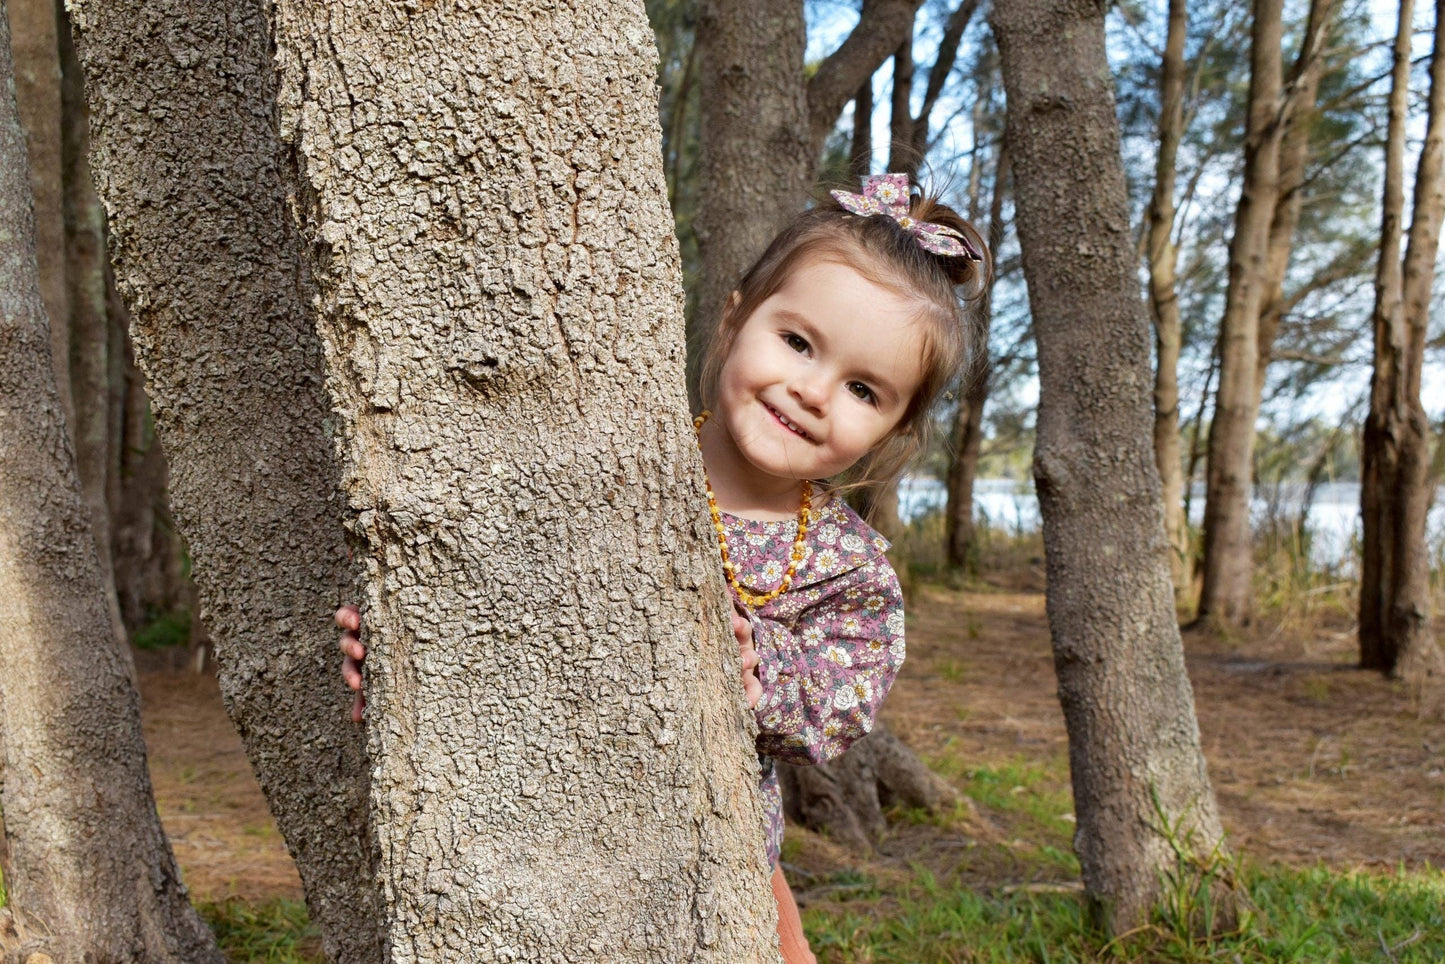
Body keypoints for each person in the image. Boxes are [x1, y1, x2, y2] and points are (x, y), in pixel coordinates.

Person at [338, 173, 988, 963]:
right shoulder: (609, 468)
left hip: (701, 864)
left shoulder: (841, 565)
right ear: (733, 316)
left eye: (862, 388)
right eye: (796, 341)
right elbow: (498, 586)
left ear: (891, 429)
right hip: (521, 820)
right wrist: (409, 647)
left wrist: (766, 671)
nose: (812, 390)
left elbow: (846, 693)